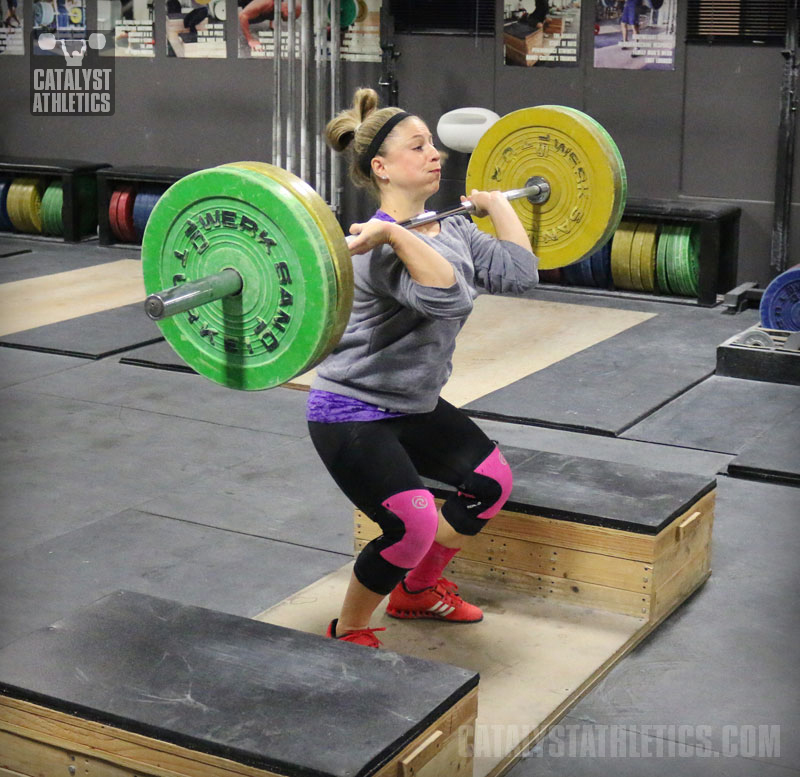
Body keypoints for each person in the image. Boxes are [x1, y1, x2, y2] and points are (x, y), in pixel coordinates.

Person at [308, 88, 539, 648]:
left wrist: (502, 205)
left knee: (490, 484)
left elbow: (517, 273)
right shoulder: (376, 249)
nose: (435, 154)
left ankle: (417, 591)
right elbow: (448, 298)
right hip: (351, 410)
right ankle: (352, 628)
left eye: (434, 144)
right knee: (409, 526)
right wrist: (389, 230)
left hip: (411, 402)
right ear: (381, 168)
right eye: (419, 146)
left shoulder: (451, 226)